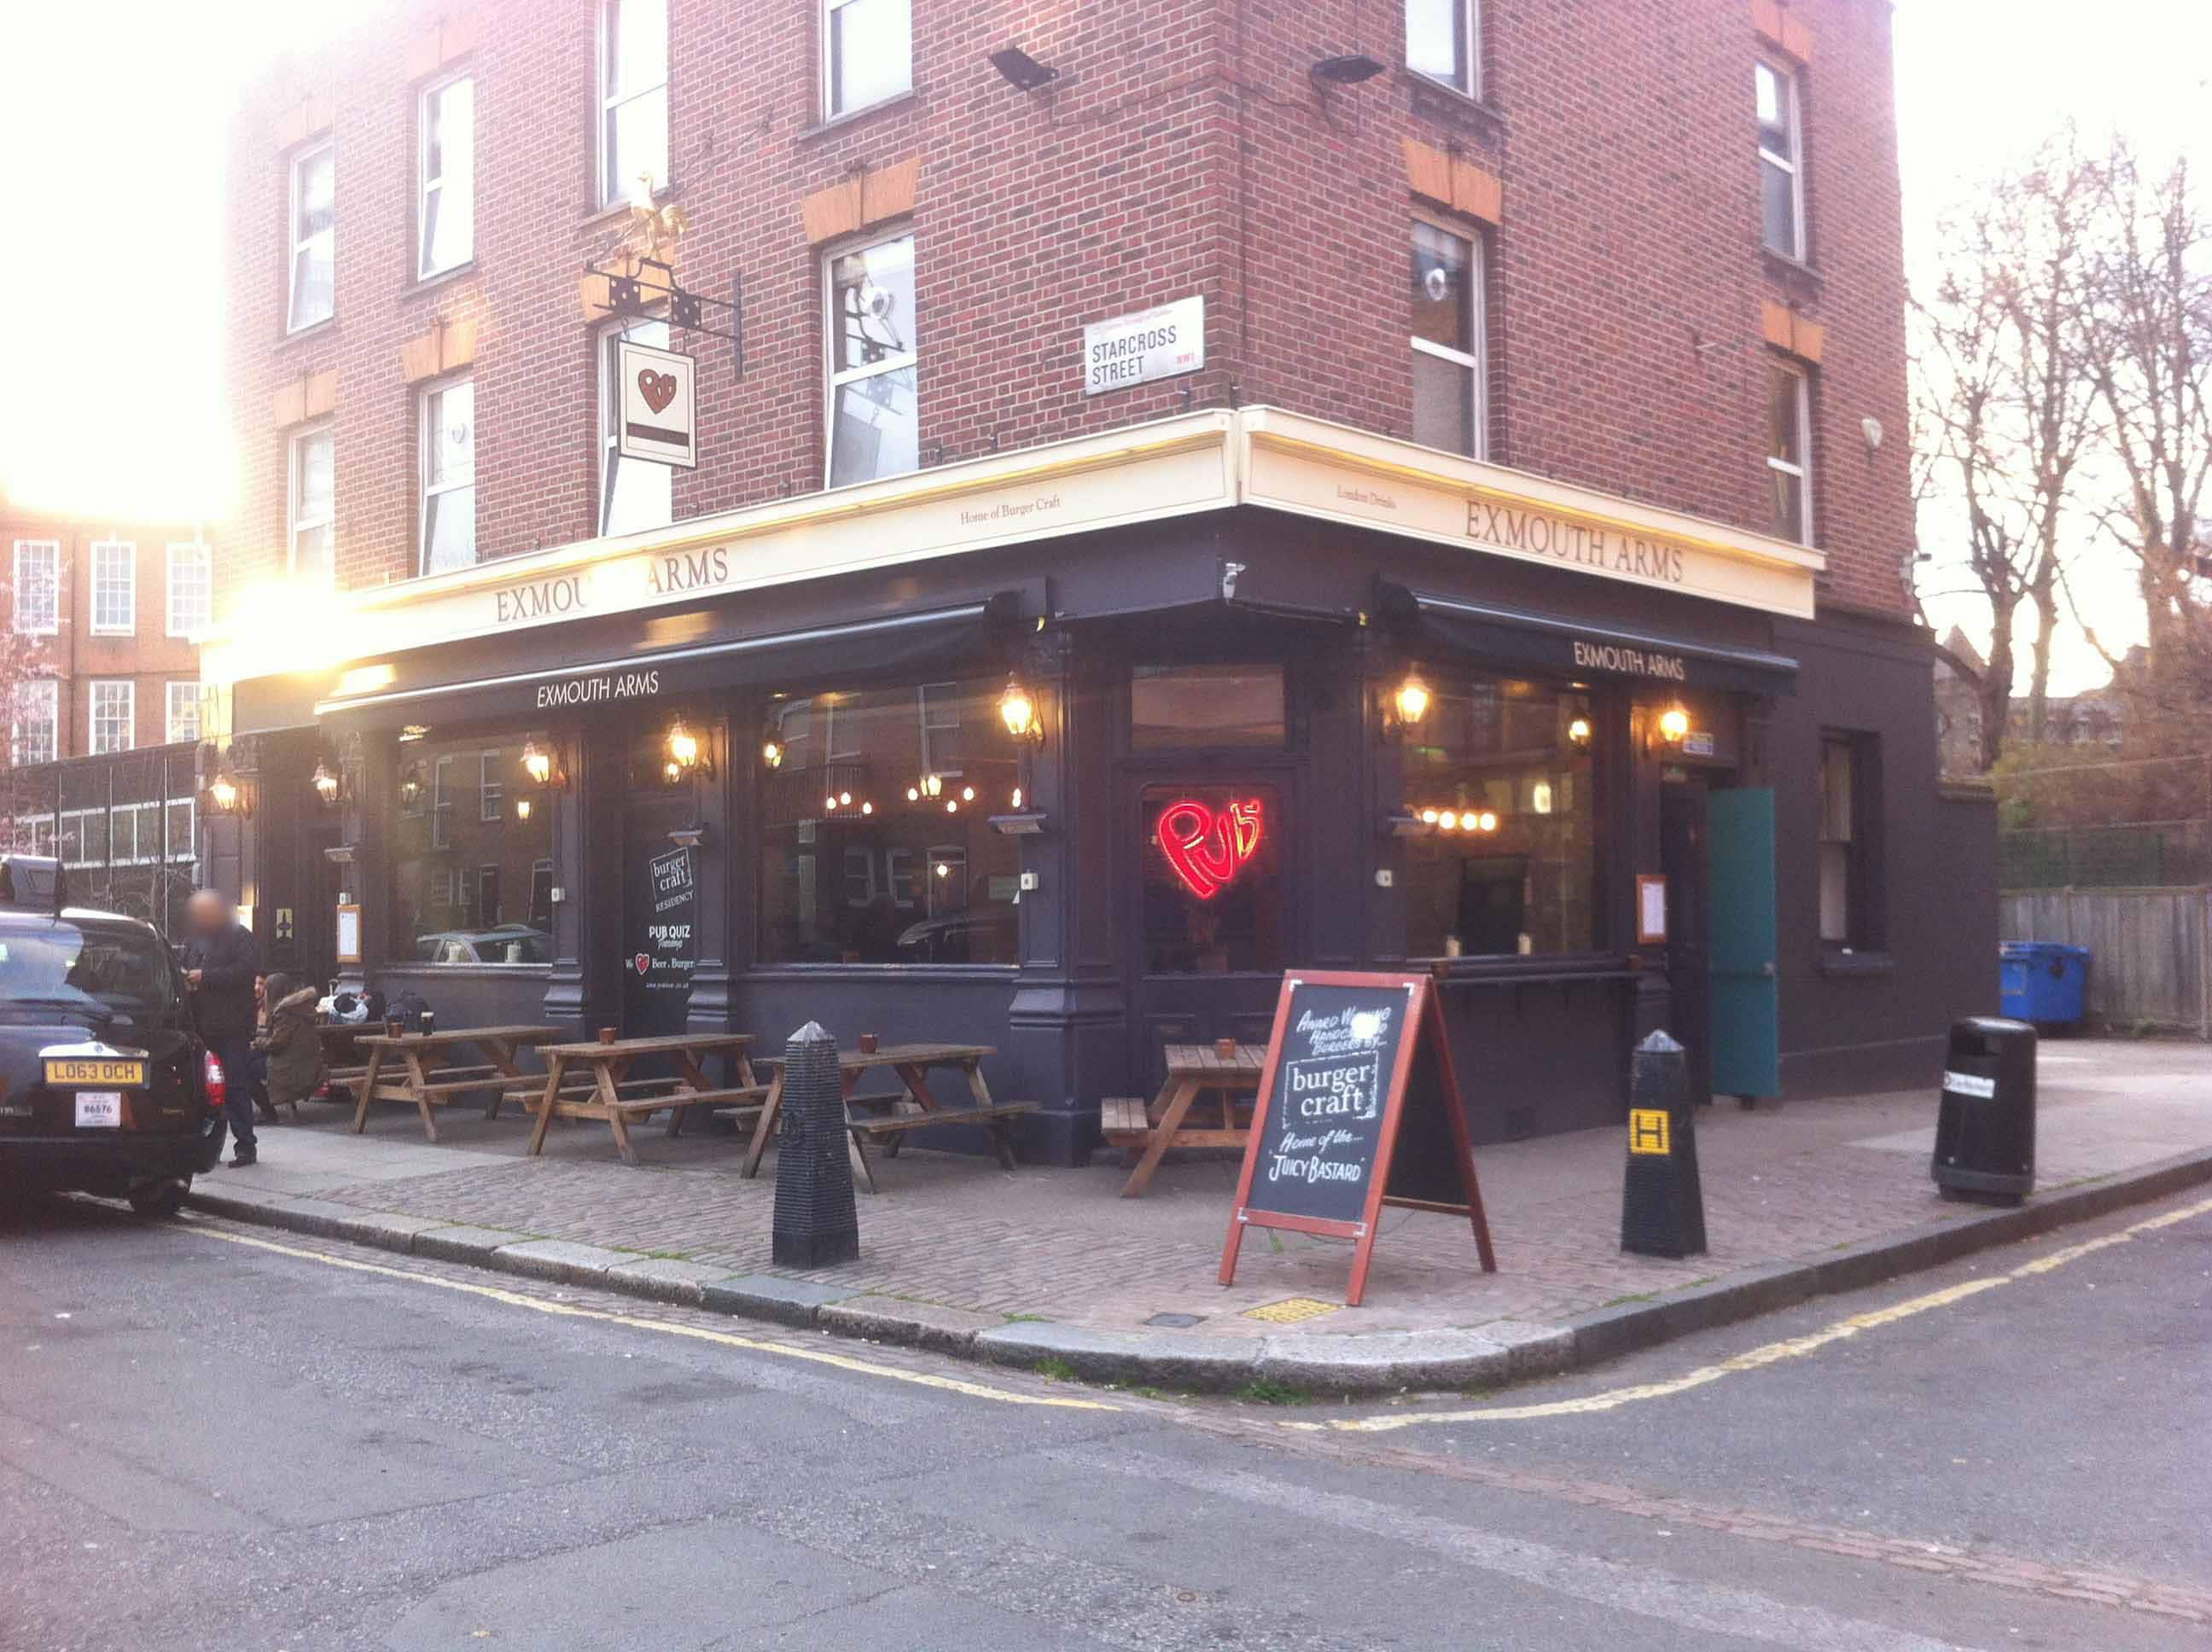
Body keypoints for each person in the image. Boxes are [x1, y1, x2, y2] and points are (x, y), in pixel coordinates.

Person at [182, 890, 263, 1166]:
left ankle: (245, 1146)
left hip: (232, 1026)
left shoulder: (242, 938)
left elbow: (244, 971)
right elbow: (187, 966)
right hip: (202, 1026)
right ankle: (209, 1145)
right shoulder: (196, 941)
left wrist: (205, 977)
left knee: (236, 1086)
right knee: (206, 1090)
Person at [253, 972, 324, 1123]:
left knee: (245, 1070)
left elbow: (276, 1044)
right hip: (306, 1063)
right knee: (250, 1058)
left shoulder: (285, 1012)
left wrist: (256, 1042)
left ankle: (268, 1112)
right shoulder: (300, 1008)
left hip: (293, 1070)